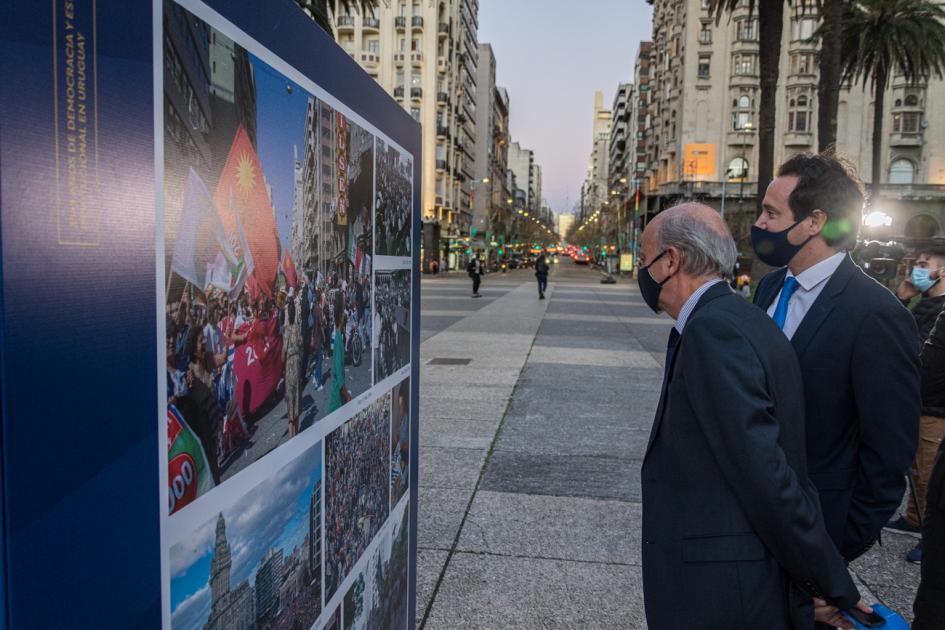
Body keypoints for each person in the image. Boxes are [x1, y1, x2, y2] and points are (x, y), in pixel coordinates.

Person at [639, 202, 870, 629]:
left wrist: (830, 583)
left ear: (671, 260)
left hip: (721, 594)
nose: (642, 273)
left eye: (644, 259)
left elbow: (766, 472)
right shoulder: (745, 318)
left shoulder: (714, 331)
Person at [751, 154, 920, 570]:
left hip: (816, 530)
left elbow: (889, 452)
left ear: (813, 222)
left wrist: (834, 549)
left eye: (771, 212)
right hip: (749, 521)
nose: (759, 223)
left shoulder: (876, 314)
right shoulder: (769, 288)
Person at [886, 246, 945, 561]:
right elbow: (892, 337)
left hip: (935, 408)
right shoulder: (925, 304)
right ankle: (913, 519)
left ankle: (930, 536)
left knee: (929, 474)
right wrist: (902, 297)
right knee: (916, 467)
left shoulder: (942, 311)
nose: (917, 270)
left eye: (924, 265)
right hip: (915, 401)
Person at [283, 288, 302, 438]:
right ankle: (297, 430)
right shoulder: (297, 327)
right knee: (296, 397)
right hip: (297, 363)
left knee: (290, 398)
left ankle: (291, 436)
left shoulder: (286, 330)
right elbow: (301, 343)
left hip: (289, 364)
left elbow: (283, 350)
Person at [328, 290, 348, 413]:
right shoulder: (339, 340)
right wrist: (348, 396)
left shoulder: (338, 336)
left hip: (338, 397)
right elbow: (340, 378)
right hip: (337, 402)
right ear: (341, 317)